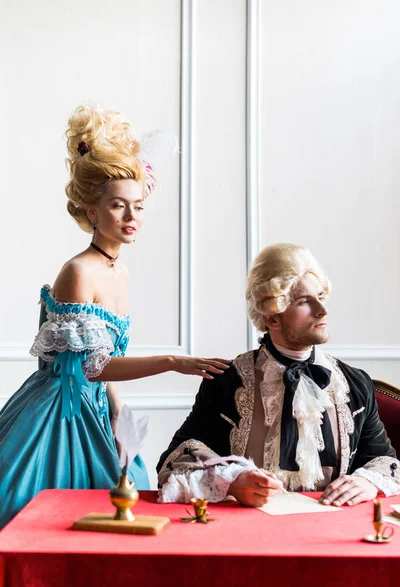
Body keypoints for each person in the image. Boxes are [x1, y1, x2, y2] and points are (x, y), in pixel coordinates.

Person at [0, 105, 229, 529]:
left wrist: (118, 408)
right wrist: (174, 362)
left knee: (118, 510)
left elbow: (101, 367)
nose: (131, 218)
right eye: (118, 206)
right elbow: (93, 365)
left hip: (97, 406)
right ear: (92, 212)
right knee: (47, 515)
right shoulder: (78, 271)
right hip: (58, 414)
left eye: (138, 207)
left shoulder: (118, 270)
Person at [157, 243, 400, 507]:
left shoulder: (353, 383)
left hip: (334, 529)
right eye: (305, 301)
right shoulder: (227, 381)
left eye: (320, 296)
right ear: (273, 318)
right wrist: (232, 481)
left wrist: (367, 481)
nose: (322, 309)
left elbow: (384, 460)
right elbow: (175, 459)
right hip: (250, 529)